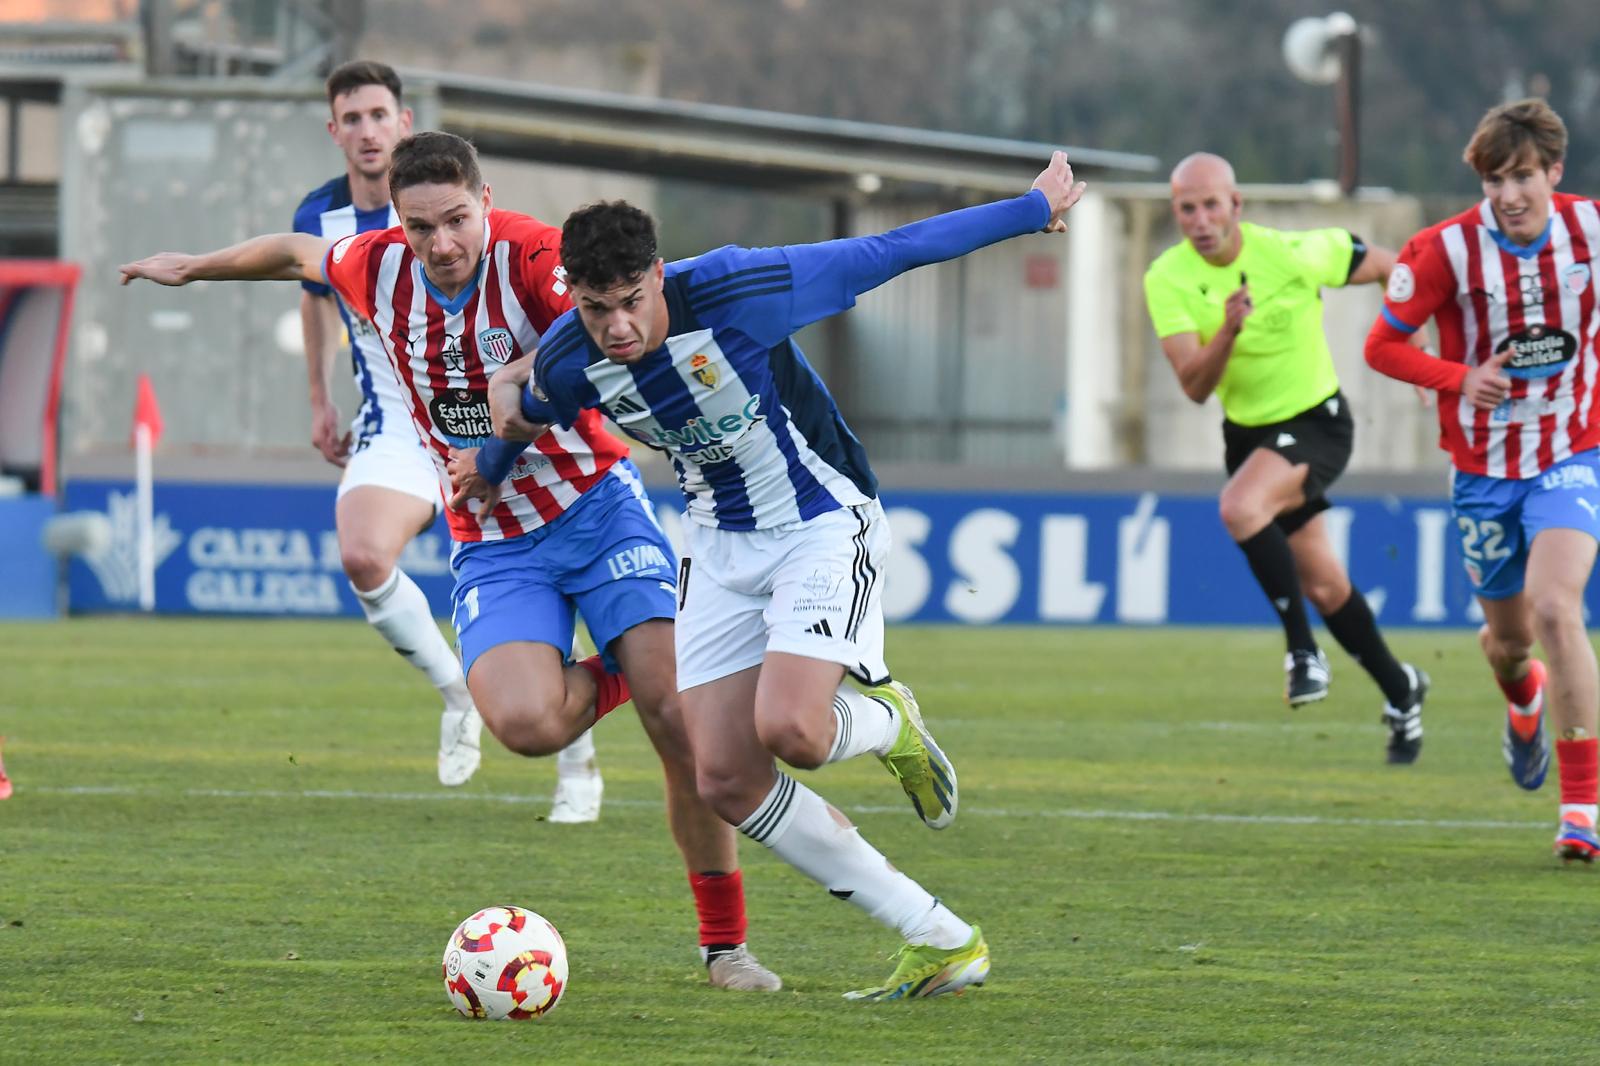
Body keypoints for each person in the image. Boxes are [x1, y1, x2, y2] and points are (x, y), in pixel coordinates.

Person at [119, 131, 782, 989]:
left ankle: (724, 945)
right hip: (494, 538)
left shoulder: (535, 255)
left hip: (596, 508)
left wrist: (512, 425)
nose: (441, 244)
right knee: (528, 726)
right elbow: (296, 253)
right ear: (398, 221)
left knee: (676, 718)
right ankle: (630, 663)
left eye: (457, 220)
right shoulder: (377, 265)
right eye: (419, 225)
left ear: (485, 200)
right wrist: (196, 266)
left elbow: (588, 337)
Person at [484, 151, 1084, 1000]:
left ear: (658, 275)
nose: (617, 327)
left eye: (631, 303)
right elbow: (529, 403)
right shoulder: (570, 358)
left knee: (795, 731)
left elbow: (891, 251)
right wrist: (490, 451)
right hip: (717, 551)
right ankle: (940, 937)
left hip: (820, 523)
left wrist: (1027, 211)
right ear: (573, 299)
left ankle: (887, 720)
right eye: (595, 310)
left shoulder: (737, 289)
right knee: (723, 777)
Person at [291, 60, 603, 813]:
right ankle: (459, 694)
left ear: (404, 124)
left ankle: (578, 765)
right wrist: (318, 401)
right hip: (399, 416)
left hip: (487, 407)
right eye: (352, 119)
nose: (367, 131)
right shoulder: (321, 217)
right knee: (363, 552)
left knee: (555, 570)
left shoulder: (466, 217)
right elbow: (313, 295)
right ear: (335, 133)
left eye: (379, 115)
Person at [1365, 99, 1600, 862]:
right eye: (1495, 179)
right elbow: (1382, 345)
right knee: (1509, 642)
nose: (1509, 195)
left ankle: (1582, 813)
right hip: (1483, 473)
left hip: (1573, 453)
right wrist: (1459, 378)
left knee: (1559, 609)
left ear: (1554, 173)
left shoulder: (1593, 233)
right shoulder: (1443, 251)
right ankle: (1523, 698)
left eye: (1524, 176)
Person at [1143, 151, 1428, 764]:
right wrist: (1227, 332)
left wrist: (1413, 332)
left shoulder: (1292, 254)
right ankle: (1403, 689)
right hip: (1249, 439)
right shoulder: (1166, 277)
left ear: (1236, 205)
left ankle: (1302, 651)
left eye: (1211, 204)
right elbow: (1194, 387)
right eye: (1186, 208)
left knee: (1240, 507)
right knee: (1326, 586)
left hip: (1318, 424)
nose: (1199, 218)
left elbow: (1391, 265)